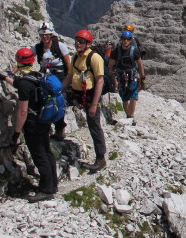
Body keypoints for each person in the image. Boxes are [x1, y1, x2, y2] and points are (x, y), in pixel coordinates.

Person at [0, 48, 57, 202]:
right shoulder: (37, 76)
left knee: (39, 155)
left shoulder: (25, 83)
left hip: (32, 124)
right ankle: (52, 183)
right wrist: (4, 78)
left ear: (19, 61)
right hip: (44, 120)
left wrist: (16, 131)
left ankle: (47, 190)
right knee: (47, 151)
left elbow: (22, 111)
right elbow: (18, 83)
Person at [60, 30, 107, 171]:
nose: (78, 43)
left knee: (94, 126)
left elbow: (99, 81)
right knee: (58, 104)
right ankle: (59, 131)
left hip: (90, 96)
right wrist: (58, 90)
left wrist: (94, 104)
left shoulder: (95, 58)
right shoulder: (75, 57)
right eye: (77, 40)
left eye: (81, 41)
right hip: (76, 93)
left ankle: (101, 158)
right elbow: (69, 76)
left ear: (88, 44)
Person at [32, 22, 71, 140]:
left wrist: (69, 80)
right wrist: (13, 70)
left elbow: (68, 63)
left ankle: (60, 129)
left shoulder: (59, 46)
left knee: (58, 102)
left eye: (47, 34)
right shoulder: (37, 48)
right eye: (42, 34)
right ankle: (45, 127)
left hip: (59, 78)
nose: (44, 37)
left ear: (51, 34)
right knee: (43, 101)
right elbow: (26, 57)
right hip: (45, 78)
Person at [108, 30, 146, 122]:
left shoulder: (135, 50)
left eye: (128, 39)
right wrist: (110, 75)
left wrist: (143, 76)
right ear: (121, 40)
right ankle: (128, 115)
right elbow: (111, 64)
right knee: (124, 97)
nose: (126, 41)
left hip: (133, 76)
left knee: (133, 96)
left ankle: (130, 117)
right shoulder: (116, 51)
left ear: (130, 40)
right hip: (121, 76)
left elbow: (140, 63)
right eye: (124, 39)